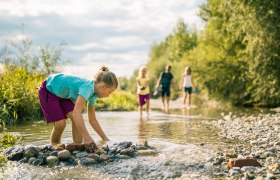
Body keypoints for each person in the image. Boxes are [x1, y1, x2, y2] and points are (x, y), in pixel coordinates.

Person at [38, 66, 118, 152]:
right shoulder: (87, 88)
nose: (108, 95)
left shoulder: (94, 94)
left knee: (76, 119)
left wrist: (105, 139)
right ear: (103, 86)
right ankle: (55, 144)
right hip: (49, 89)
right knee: (61, 123)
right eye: (109, 92)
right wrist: (87, 137)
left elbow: (92, 120)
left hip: (63, 95)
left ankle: (77, 144)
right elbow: (77, 112)